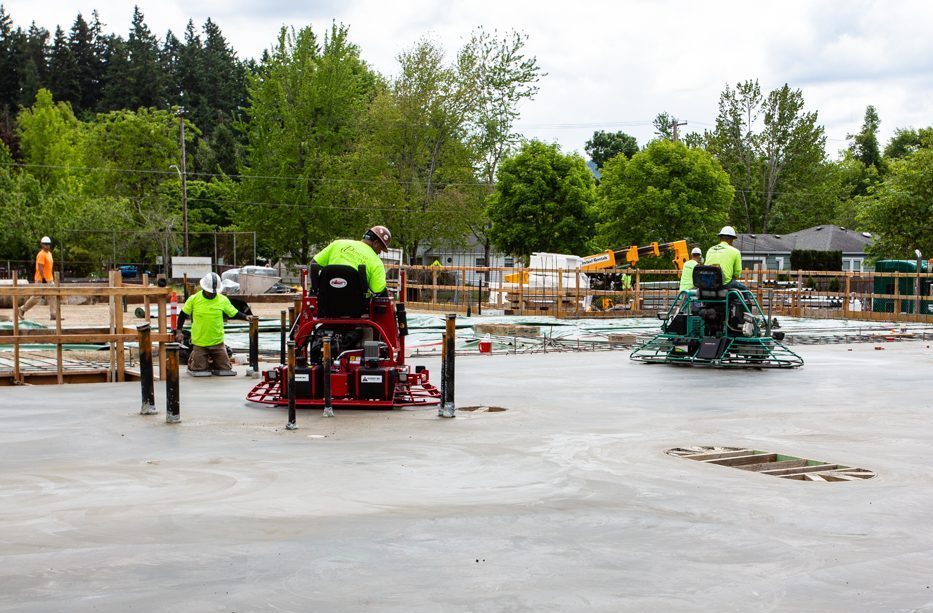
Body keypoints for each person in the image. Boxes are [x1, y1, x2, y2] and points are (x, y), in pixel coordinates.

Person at [174, 272, 256, 376]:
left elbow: (233, 312)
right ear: (204, 288)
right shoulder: (194, 299)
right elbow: (182, 315)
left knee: (225, 369)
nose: (212, 293)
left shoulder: (222, 300)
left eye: (214, 292)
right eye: (209, 292)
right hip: (200, 343)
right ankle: (193, 360)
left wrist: (245, 317)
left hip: (217, 342)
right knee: (199, 370)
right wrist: (179, 331)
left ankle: (210, 362)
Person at [313, 226, 392, 295]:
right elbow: (377, 290)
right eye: (381, 248)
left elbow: (314, 263)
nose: (379, 252)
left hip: (326, 304)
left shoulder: (337, 244)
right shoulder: (377, 262)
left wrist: (316, 287)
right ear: (375, 243)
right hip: (357, 309)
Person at [705, 225, 753, 303]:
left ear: (720, 238)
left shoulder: (710, 250)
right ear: (731, 240)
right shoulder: (735, 252)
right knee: (745, 291)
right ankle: (746, 313)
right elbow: (737, 272)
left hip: (708, 284)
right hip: (725, 284)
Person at [18, 236, 60, 321]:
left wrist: (50, 278)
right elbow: (40, 268)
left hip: (49, 279)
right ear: (42, 245)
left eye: (48, 244)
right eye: (45, 244)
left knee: (53, 296)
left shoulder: (49, 254)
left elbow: (49, 267)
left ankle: (53, 314)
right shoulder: (41, 254)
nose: (47, 246)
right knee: (36, 297)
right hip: (41, 279)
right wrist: (44, 278)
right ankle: (22, 309)